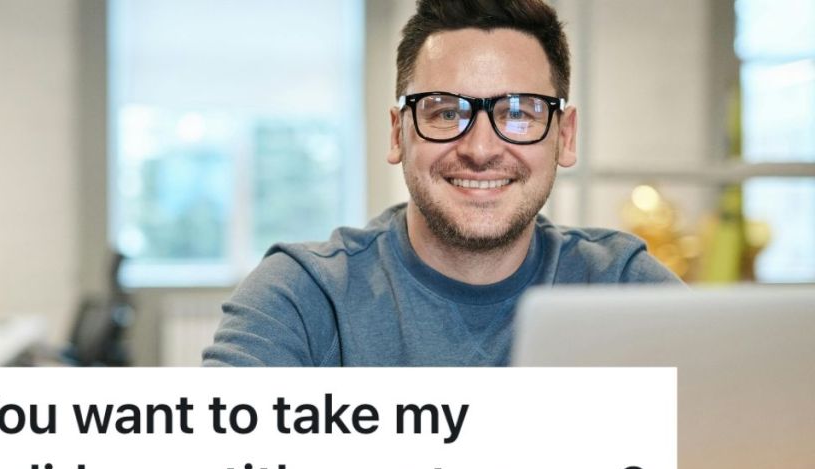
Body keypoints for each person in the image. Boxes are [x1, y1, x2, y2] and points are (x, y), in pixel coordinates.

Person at [203, 0, 680, 367]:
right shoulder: (304, 299)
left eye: (517, 114)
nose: (480, 148)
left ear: (566, 136)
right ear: (398, 133)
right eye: (446, 111)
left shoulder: (623, 288)